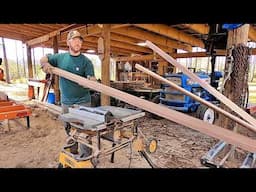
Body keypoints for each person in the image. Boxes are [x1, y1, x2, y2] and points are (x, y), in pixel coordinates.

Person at [40, 30, 96, 157]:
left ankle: (85, 158)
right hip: (66, 102)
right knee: (69, 129)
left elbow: (91, 78)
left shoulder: (86, 61)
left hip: (83, 102)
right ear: (68, 42)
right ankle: (73, 152)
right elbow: (44, 58)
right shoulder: (60, 58)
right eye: (74, 39)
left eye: (80, 40)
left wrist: (90, 82)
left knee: (84, 131)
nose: (78, 42)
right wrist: (45, 63)